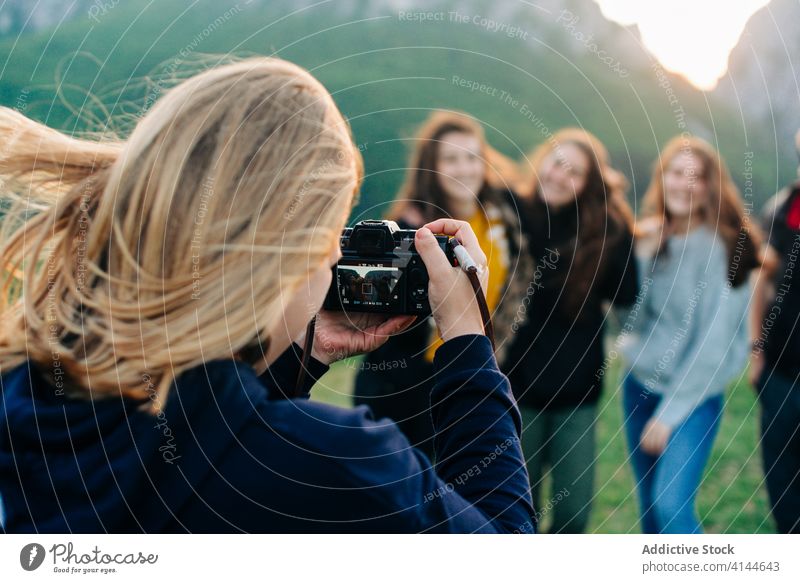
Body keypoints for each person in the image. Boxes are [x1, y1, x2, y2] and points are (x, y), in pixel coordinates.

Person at [0, 58, 535, 533]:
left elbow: (199, 444)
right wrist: (468, 343)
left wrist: (302, 358)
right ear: (294, 252)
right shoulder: (346, 470)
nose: (332, 265)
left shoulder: (28, 390)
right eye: (331, 237)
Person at [353, 111, 534, 457]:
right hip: (410, 382)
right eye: (450, 158)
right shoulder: (409, 230)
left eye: (471, 157)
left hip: (474, 366)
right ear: (431, 166)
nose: (464, 168)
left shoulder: (505, 219)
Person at [620, 135, 762, 534]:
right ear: (662, 179)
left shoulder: (726, 247)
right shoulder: (653, 239)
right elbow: (632, 320)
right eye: (677, 173)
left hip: (692, 397)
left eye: (696, 177)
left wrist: (668, 415)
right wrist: (644, 255)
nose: (685, 183)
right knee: (649, 513)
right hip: (639, 386)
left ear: (710, 187)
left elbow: (714, 344)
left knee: (670, 509)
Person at [504, 128, 639, 533]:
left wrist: (616, 226)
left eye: (575, 172)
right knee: (514, 510)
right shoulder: (513, 211)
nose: (560, 176)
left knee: (573, 515)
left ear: (588, 185)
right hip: (514, 388)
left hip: (576, 392)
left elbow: (627, 293)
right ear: (541, 160)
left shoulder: (605, 232)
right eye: (557, 162)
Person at [751, 129, 800, 533]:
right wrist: (756, 352)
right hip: (781, 371)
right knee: (783, 488)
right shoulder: (783, 208)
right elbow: (762, 283)